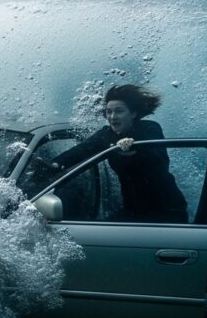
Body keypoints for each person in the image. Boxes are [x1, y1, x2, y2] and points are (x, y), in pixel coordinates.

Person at [52, 84, 188, 223]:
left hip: (167, 211)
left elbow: (156, 157)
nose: (112, 117)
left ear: (133, 113)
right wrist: (54, 165)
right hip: (133, 211)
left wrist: (133, 149)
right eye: (109, 112)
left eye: (119, 111)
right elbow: (80, 151)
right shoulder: (106, 135)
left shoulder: (150, 129)